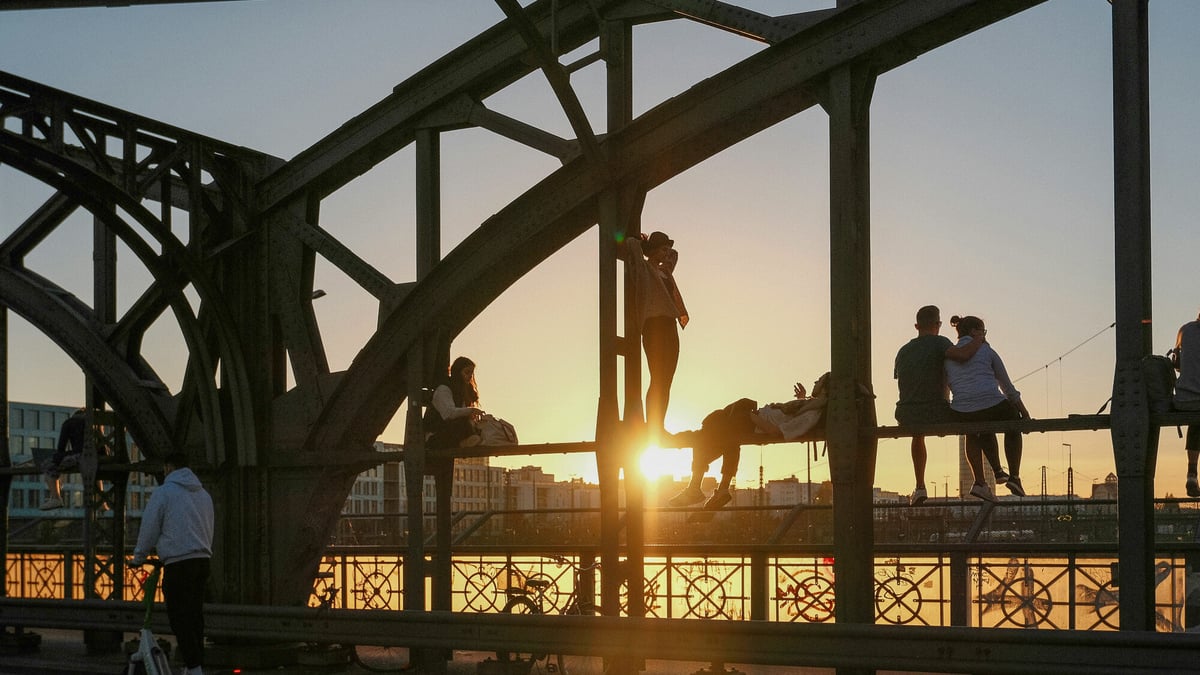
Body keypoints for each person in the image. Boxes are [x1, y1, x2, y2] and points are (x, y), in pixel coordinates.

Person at [130, 451, 214, 675]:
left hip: (178, 563)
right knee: (195, 616)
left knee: (179, 618)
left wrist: (138, 558)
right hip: (202, 560)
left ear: (168, 467)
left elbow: (150, 528)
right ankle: (194, 665)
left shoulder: (164, 493)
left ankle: (194, 668)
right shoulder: (203, 494)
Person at [894, 306, 984, 506]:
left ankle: (919, 486)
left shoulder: (903, 351)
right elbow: (962, 355)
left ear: (917, 326)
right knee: (970, 419)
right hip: (937, 411)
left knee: (918, 435)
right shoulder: (940, 343)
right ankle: (979, 481)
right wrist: (978, 339)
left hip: (905, 413)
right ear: (938, 325)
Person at [945, 315, 1031, 502]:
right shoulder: (987, 351)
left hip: (961, 411)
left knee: (975, 426)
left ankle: (998, 472)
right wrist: (1025, 413)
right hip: (991, 405)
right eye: (983, 331)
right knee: (1012, 421)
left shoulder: (949, 355)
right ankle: (1014, 477)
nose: (984, 335)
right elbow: (1008, 388)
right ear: (975, 332)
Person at [624, 231, 689, 443]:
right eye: (662, 249)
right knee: (657, 379)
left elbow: (675, 254)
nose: (666, 252)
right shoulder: (644, 270)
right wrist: (642, 241)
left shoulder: (665, 272)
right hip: (653, 328)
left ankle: (659, 426)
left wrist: (663, 247)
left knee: (666, 381)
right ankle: (651, 427)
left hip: (670, 328)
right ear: (652, 250)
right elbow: (632, 248)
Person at [667, 397, 758, 510]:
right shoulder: (732, 427)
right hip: (728, 425)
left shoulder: (729, 421)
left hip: (725, 423)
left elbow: (696, 435)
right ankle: (720, 489)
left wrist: (673, 439)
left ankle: (696, 488)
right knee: (729, 442)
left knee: (702, 439)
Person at [423, 356, 486, 449]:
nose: (470, 376)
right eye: (467, 372)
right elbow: (449, 413)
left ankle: (471, 440)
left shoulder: (462, 391)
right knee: (461, 424)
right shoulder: (444, 389)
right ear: (458, 372)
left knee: (477, 426)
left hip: (451, 430)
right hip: (435, 434)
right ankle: (462, 443)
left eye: (471, 373)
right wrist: (471, 410)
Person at [1172, 312, 1200, 497]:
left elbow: (1177, 364)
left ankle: (1192, 473)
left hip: (1185, 399)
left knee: (1196, 420)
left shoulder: (1185, 330)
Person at [38, 408, 86, 510]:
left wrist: (55, 458)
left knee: (48, 465)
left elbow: (61, 448)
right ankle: (102, 502)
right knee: (95, 471)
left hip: (81, 455)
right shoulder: (97, 423)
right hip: (99, 456)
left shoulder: (69, 423)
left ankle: (56, 498)